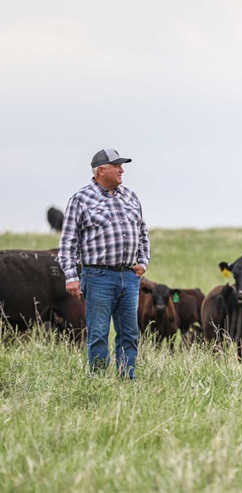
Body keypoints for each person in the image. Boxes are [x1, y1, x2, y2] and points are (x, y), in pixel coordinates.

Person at [58, 148, 150, 379]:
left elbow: (142, 232)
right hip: (98, 276)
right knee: (98, 333)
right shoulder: (80, 199)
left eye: (122, 166)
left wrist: (143, 261)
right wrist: (71, 276)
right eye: (116, 166)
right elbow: (68, 241)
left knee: (129, 333)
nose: (122, 170)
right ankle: (98, 380)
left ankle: (127, 379)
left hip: (129, 277)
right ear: (101, 170)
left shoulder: (130, 196)